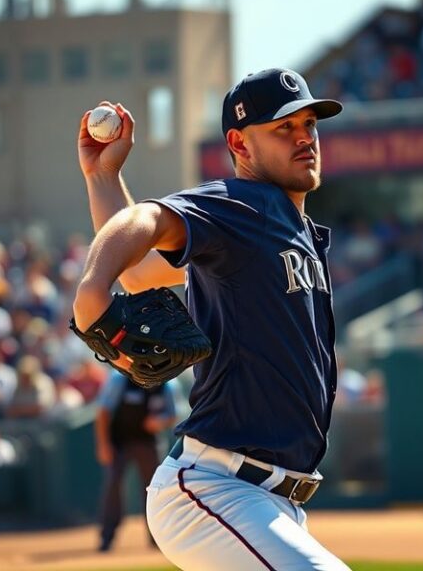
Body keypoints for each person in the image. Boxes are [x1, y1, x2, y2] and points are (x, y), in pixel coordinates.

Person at [72, 68, 350, 570]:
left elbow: (139, 274)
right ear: (239, 144)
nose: (304, 137)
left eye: (309, 123)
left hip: (270, 503)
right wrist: (92, 291)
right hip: (216, 489)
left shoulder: (290, 230)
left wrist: (103, 178)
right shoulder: (245, 204)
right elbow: (147, 219)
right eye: (283, 127)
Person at [94, 370, 177, 552]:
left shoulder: (167, 384)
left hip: (148, 442)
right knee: (113, 486)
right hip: (119, 442)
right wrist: (103, 444)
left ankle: (157, 538)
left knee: (154, 489)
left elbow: (172, 415)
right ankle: (107, 537)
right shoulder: (119, 380)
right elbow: (103, 412)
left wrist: (160, 421)